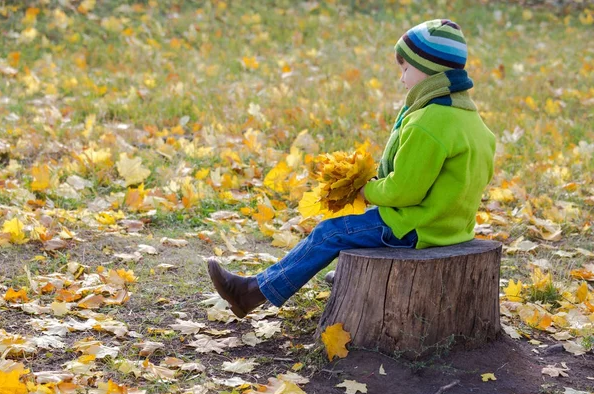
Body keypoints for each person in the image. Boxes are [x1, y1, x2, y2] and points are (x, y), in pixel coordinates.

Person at [208, 19, 496, 318]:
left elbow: (404, 191)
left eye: (405, 69)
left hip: (416, 228)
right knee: (357, 226)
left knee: (330, 233)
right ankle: (350, 277)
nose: (402, 79)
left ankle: (251, 293)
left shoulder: (427, 122)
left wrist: (366, 188)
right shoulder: (472, 122)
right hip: (451, 227)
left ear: (430, 70)